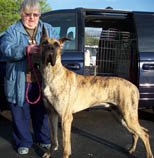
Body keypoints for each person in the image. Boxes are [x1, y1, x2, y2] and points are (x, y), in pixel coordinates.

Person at [0, 0, 60, 155]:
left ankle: (44, 140)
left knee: (41, 113)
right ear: (22, 14)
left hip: (42, 81)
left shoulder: (49, 29)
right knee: (20, 114)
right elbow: (6, 49)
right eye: (28, 14)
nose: (32, 18)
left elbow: (58, 46)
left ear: (39, 15)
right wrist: (25, 49)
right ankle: (23, 142)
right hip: (20, 81)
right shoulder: (12, 31)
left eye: (35, 14)